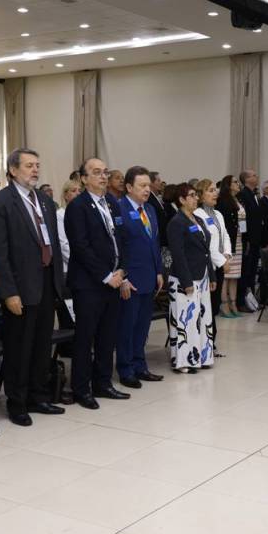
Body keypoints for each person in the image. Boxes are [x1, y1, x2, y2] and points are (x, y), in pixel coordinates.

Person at [0, 148, 67, 427]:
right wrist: (8, 292)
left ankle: (38, 396)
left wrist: (58, 283)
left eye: (37, 165)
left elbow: (52, 243)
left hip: (46, 282)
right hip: (19, 286)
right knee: (19, 348)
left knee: (42, 345)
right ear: (13, 170)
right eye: (29, 165)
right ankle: (17, 403)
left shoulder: (44, 200)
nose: (35, 170)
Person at [65, 158, 130, 409]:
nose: (103, 176)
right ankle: (81, 389)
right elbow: (80, 247)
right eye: (96, 172)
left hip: (114, 279)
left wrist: (122, 271)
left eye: (105, 172)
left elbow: (121, 239)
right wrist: (106, 275)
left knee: (107, 336)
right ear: (83, 178)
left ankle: (103, 383)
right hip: (89, 283)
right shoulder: (77, 206)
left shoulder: (112, 203)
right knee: (85, 338)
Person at [113, 166, 166, 389]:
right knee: (127, 327)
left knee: (143, 327)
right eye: (142, 186)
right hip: (130, 279)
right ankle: (125, 369)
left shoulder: (150, 209)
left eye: (148, 185)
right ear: (129, 187)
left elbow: (155, 243)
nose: (147, 190)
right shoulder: (119, 208)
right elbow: (117, 247)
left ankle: (140, 365)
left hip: (149, 277)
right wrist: (123, 277)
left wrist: (159, 271)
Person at [166, 183, 215, 372]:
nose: (196, 198)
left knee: (203, 318)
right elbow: (178, 255)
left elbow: (205, 250)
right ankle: (184, 361)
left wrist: (212, 276)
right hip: (184, 279)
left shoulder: (198, 219)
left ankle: (202, 356)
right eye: (192, 195)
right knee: (186, 320)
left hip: (202, 276)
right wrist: (186, 282)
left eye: (196, 195)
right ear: (181, 199)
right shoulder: (176, 222)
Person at [195, 179, 230, 355]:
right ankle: (207, 343)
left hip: (220, 264)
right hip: (209, 267)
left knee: (215, 306)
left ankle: (210, 341)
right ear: (201, 195)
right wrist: (222, 261)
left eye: (215, 190)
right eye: (210, 190)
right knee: (207, 305)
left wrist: (227, 254)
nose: (215, 193)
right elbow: (206, 245)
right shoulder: (198, 214)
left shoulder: (218, 214)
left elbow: (225, 235)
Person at [216, 175, 244, 318]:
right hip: (228, 242)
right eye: (235, 182)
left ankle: (233, 302)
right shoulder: (222, 201)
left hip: (239, 240)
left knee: (235, 275)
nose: (238, 184)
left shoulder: (237, 200)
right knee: (226, 275)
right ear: (228, 185)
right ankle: (224, 303)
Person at [236, 169, 261, 312]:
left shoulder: (253, 194)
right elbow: (243, 219)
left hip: (255, 239)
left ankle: (251, 300)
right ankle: (241, 301)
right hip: (248, 239)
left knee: (252, 271)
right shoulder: (243, 195)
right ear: (246, 179)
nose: (256, 177)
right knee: (245, 271)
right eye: (253, 175)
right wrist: (246, 239)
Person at [57, 178, 82, 274]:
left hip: (86, 265)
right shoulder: (60, 215)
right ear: (66, 195)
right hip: (69, 268)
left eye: (79, 191)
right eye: (73, 191)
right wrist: (81, 263)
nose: (78, 193)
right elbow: (63, 245)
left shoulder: (81, 214)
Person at [148, 171, 168, 246]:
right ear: (151, 183)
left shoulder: (155, 196)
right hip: (159, 239)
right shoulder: (149, 198)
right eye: (158, 180)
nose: (160, 183)